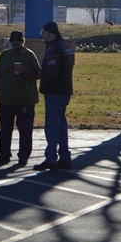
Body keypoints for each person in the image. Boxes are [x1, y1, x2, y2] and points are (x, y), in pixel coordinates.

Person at [0, 31, 41, 166]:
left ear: (23, 41)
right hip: (6, 99)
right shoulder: (5, 55)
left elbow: (38, 73)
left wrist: (25, 71)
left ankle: (23, 156)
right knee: (5, 130)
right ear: (10, 41)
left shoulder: (29, 56)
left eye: (18, 40)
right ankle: (4, 155)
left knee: (25, 131)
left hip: (25, 100)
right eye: (13, 40)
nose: (16, 42)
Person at [34, 21, 75, 171]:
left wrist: (43, 88)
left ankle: (51, 158)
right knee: (61, 125)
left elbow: (51, 74)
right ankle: (65, 157)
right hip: (65, 90)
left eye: (43, 32)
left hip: (55, 91)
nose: (42, 35)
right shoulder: (65, 46)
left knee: (52, 126)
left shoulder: (54, 48)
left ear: (49, 33)